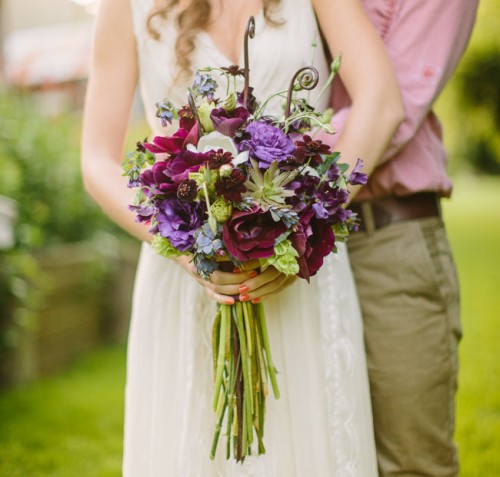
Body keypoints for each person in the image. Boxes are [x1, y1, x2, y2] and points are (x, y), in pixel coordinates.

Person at [81, 0, 403, 475]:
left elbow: (382, 101)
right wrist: (187, 247)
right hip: (184, 277)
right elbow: (96, 159)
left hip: (299, 276)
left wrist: (304, 226)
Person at [317, 1, 479, 476]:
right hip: (289, 245)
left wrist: (268, 157)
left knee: (410, 464)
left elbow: (394, 110)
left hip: (384, 240)